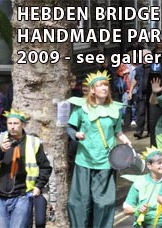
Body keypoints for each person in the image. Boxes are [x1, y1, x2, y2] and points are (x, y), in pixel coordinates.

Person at [67, 70, 132, 227]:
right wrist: (77, 134)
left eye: (105, 85)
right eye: (99, 85)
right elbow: (69, 128)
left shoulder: (115, 109)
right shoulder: (81, 108)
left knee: (104, 203)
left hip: (106, 162)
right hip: (84, 161)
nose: (104, 88)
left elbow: (118, 131)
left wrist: (125, 140)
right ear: (92, 90)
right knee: (80, 203)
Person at [0, 109, 52, 228]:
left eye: (16, 123)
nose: (12, 127)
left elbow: (45, 167)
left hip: (22, 195)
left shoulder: (33, 142)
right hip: (0, 195)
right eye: (10, 123)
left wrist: (38, 186)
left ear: (23, 124)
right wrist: (0, 152)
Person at [123, 149, 162, 227]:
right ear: (149, 165)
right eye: (159, 163)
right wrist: (138, 210)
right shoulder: (139, 182)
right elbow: (126, 210)